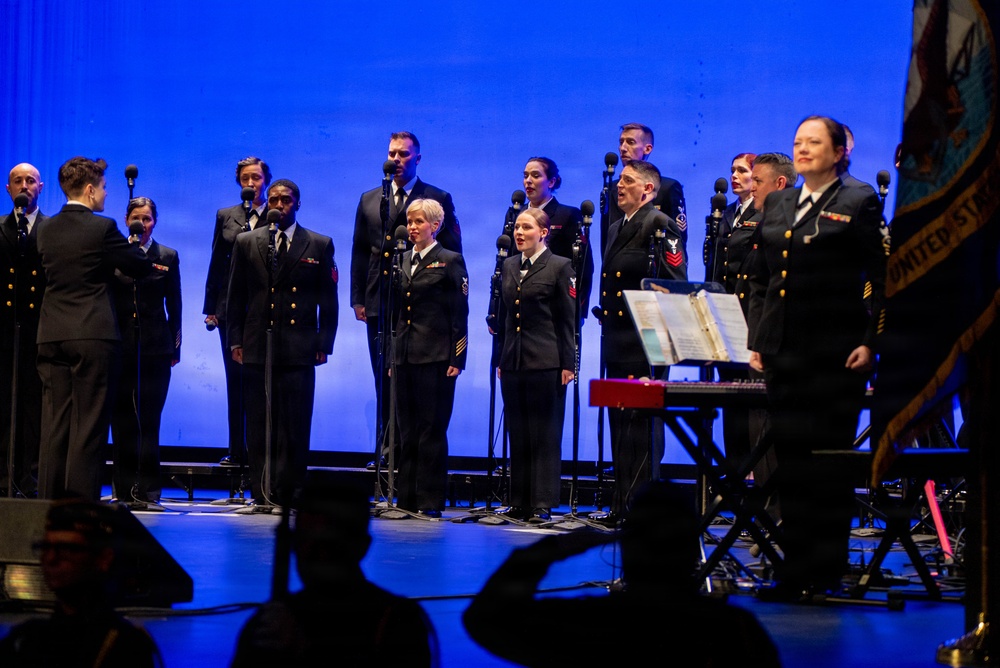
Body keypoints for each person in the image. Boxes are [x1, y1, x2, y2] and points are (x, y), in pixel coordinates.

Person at [746, 116, 887, 600]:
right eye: (797, 142)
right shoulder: (782, 201)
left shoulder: (858, 200)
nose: (803, 149)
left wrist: (873, 339)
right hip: (784, 353)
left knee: (826, 464)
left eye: (814, 142)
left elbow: (884, 275)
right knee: (791, 462)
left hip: (835, 354)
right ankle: (793, 568)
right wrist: (759, 340)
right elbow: (764, 277)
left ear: (839, 151)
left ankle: (825, 569)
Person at [463, 479, 782, 667]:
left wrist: (552, 551)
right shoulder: (731, 630)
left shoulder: (587, 623)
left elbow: (484, 618)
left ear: (625, 549)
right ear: (691, 553)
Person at [230, 472, 439, 667]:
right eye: (312, 544)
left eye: (331, 546)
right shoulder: (402, 621)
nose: (322, 555)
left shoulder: (270, 627)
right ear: (364, 546)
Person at [36, 157, 151, 501]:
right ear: (89, 189)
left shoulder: (46, 228)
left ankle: (48, 504)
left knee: (56, 425)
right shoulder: (102, 228)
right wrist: (132, 245)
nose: (104, 194)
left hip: (51, 332)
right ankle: (80, 508)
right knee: (89, 426)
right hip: (92, 334)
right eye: (102, 187)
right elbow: (138, 265)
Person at [350, 132, 462, 472]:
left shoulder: (436, 197)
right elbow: (358, 250)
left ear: (417, 158)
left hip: (420, 305)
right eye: (391, 153)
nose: (396, 159)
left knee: (410, 383)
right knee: (383, 376)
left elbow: (453, 252)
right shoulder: (371, 198)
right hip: (379, 301)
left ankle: (405, 452)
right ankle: (386, 448)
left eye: (403, 154)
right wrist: (358, 298)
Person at [227, 179, 339, 510]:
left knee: (295, 423)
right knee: (260, 422)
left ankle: (291, 491)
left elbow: (328, 300)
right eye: (274, 199)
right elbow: (235, 296)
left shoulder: (318, 244)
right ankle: (262, 491)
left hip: (299, 345)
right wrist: (235, 339)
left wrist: (324, 343)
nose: (279, 204)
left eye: (286, 200)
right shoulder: (247, 242)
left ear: (297, 204)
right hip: (258, 343)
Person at [598, 160, 687, 524]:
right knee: (619, 424)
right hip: (617, 341)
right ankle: (621, 505)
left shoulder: (660, 225)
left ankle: (640, 510)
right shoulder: (617, 225)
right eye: (620, 179)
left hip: (645, 343)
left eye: (629, 181)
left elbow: (674, 283)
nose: (620, 185)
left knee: (642, 426)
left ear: (648, 190)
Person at [0, 495, 163, 667]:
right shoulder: (26, 640)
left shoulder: (125, 647)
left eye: (66, 550)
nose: (51, 559)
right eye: (45, 548)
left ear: (104, 559)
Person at [492, 208, 576, 523]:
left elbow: (567, 320)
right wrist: (501, 358)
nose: (519, 232)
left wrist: (568, 363)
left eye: (526, 227)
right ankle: (520, 500)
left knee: (544, 433)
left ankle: (542, 502)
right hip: (514, 361)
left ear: (543, 232)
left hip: (547, 361)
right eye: (516, 227)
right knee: (519, 432)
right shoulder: (510, 265)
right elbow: (504, 318)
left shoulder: (559, 266)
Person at [390, 198, 469, 518]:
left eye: (419, 222)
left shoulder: (449, 260)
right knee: (406, 430)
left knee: (431, 429)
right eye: (409, 221)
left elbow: (459, 313)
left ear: (435, 225)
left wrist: (457, 356)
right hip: (406, 355)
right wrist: (393, 356)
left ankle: (429, 499)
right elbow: (397, 313)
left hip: (436, 356)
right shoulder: (401, 259)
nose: (412, 227)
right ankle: (406, 497)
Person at [110, 197, 181, 508]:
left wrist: (175, 347)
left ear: (155, 222)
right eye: (137, 218)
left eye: (148, 219)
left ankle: (149, 489)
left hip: (155, 346)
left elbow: (174, 305)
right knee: (122, 418)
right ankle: (123, 488)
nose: (143, 224)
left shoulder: (167, 256)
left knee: (150, 419)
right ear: (127, 220)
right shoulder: (115, 253)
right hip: (120, 345)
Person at [204, 156, 271, 467]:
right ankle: (236, 449)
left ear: (265, 180)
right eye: (245, 178)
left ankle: (263, 451)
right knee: (236, 380)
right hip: (230, 308)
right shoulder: (226, 216)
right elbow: (217, 262)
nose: (250, 183)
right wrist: (211, 308)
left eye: (256, 177)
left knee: (263, 382)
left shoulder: (276, 213)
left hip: (263, 309)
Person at [1, 163, 47, 497]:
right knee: (4, 406)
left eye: (30, 180)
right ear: (8, 189)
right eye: (18, 180)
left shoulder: (51, 228)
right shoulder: (0, 228)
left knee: (34, 409)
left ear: (40, 187)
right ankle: (4, 479)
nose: (24, 186)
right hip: (4, 331)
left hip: (38, 331)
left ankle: (30, 479)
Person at [600, 122, 688, 259]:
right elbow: (607, 240)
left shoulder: (667, 187)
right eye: (621, 142)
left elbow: (677, 241)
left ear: (647, 149)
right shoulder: (612, 187)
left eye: (630, 142)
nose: (623, 148)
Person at [522, 156, 594, 323]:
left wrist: (578, 309)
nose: (528, 181)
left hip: (555, 308)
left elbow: (584, 267)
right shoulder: (515, 215)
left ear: (551, 182)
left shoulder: (567, 215)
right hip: (520, 305)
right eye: (525, 176)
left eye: (535, 175)